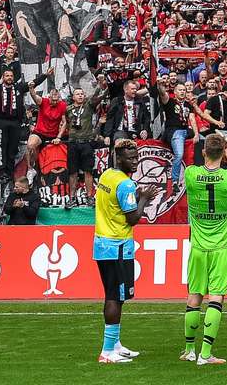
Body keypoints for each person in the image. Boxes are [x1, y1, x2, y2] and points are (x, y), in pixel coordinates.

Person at [181, 132, 227, 366]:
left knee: (194, 295)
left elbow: (192, 169)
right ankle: (205, 354)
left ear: (203, 153)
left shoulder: (191, 174)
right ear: (222, 154)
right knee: (216, 297)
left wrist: (221, 155)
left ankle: (190, 350)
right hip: (222, 247)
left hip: (198, 247)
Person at [93, 139, 143, 363]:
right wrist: (144, 198)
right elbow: (132, 218)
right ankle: (107, 351)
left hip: (102, 243)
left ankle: (116, 344)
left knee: (116, 297)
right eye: (131, 158)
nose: (135, 162)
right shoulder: (126, 185)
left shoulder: (107, 176)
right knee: (114, 297)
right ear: (119, 158)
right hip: (118, 246)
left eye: (136, 157)